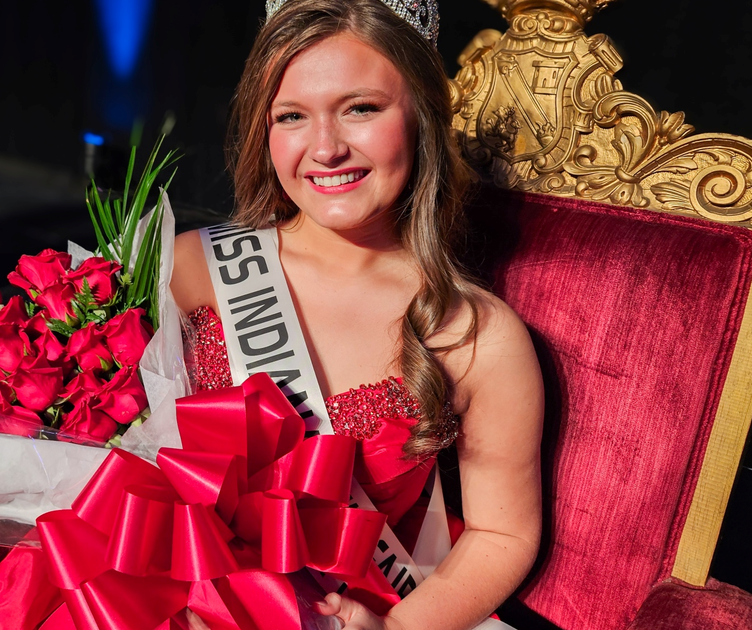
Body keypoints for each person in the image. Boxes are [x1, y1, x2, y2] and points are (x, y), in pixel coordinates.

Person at [170, 1, 544, 628]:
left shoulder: (474, 334)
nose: (326, 148)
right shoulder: (191, 270)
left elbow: (502, 535)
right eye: (292, 116)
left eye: (360, 109)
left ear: (422, 115)